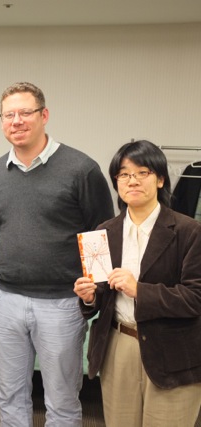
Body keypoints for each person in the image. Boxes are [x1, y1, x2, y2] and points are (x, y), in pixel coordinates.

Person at [0, 81, 114, 425]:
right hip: (6, 300)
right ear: (1, 121)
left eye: (25, 113)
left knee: (62, 401)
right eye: (9, 115)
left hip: (60, 304)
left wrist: (93, 297)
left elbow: (100, 235)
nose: (17, 121)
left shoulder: (80, 169)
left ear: (44, 115)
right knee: (9, 397)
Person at [74, 140, 201, 426]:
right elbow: (100, 295)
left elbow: (196, 297)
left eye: (142, 173)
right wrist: (88, 296)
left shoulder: (189, 231)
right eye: (124, 174)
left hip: (173, 348)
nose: (132, 181)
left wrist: (139, 291)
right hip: (119, 344)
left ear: (160, 179)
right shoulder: (104, 232)